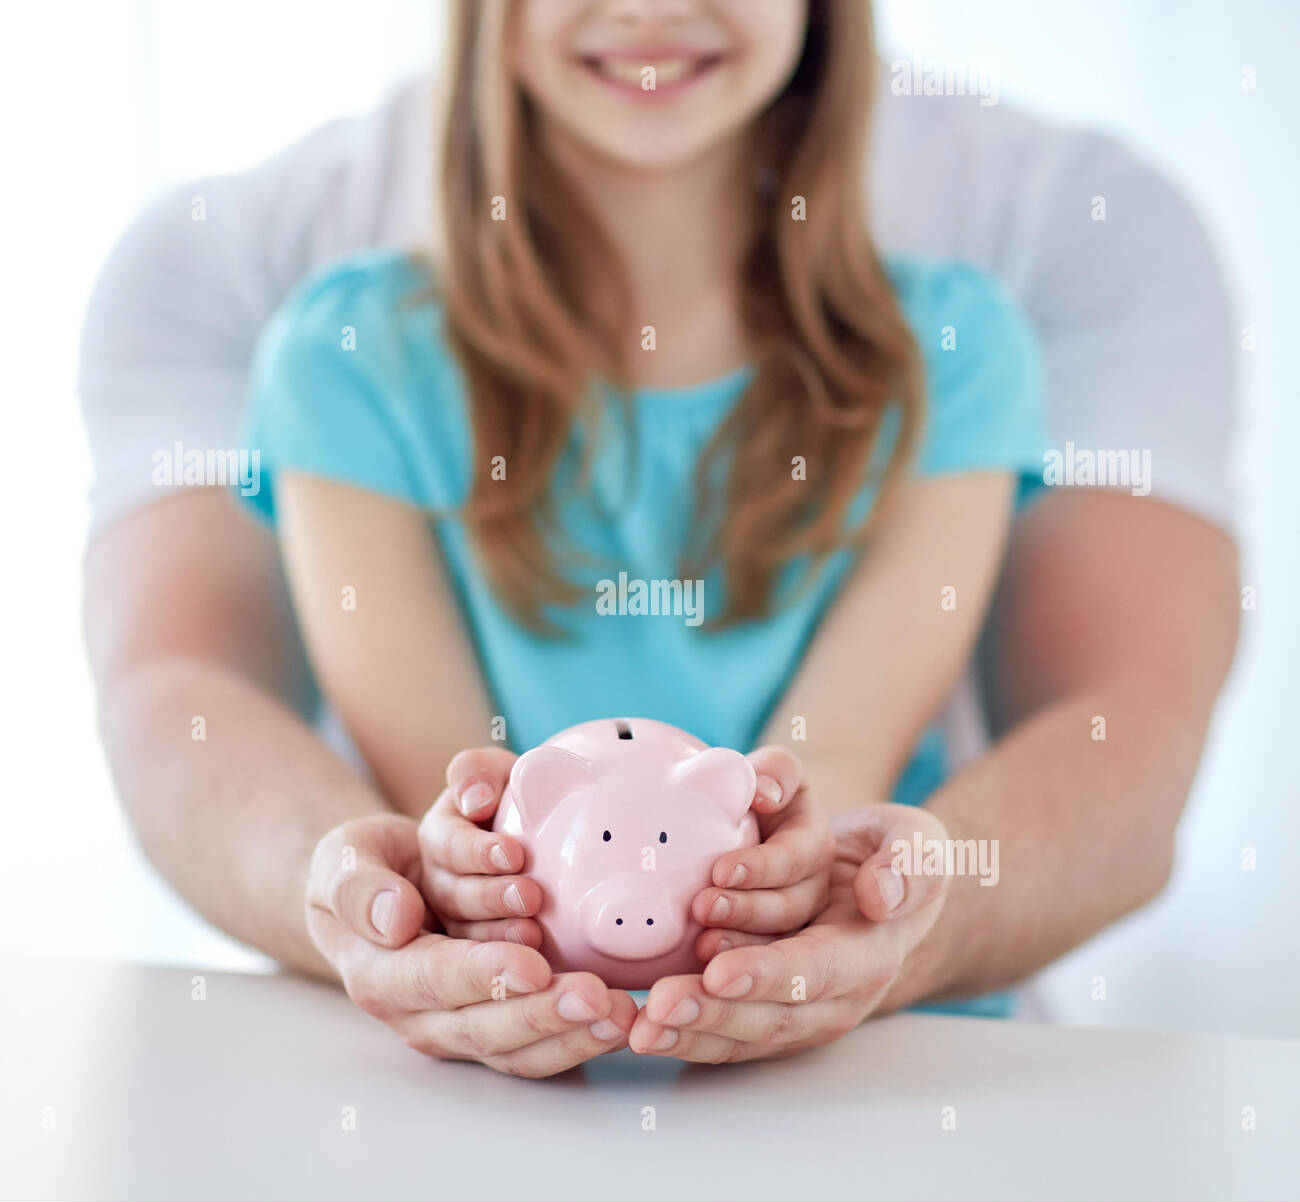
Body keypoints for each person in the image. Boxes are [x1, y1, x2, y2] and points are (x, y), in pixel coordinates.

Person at [80, 0, 1239, 1076]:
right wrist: (448, 895)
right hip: (472, 1080)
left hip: (871, 1074)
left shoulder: (955, 350)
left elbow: (825, 769)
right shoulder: (348, 356)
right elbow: (464, 805)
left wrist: (794, 885)